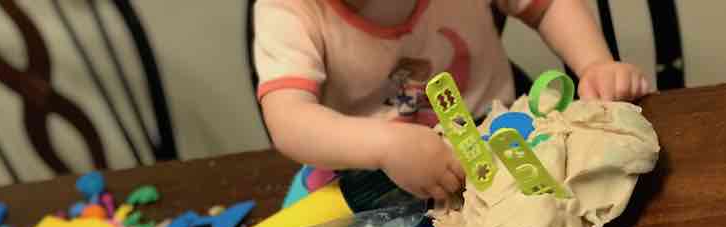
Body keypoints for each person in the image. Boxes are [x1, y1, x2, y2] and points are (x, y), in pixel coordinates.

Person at [254, 0, 652, 201]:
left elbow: (548, 7)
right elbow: (288, 118)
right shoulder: (287, 8)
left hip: (494, 150)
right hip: (372, 175)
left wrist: (594, 63)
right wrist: (383, 145)